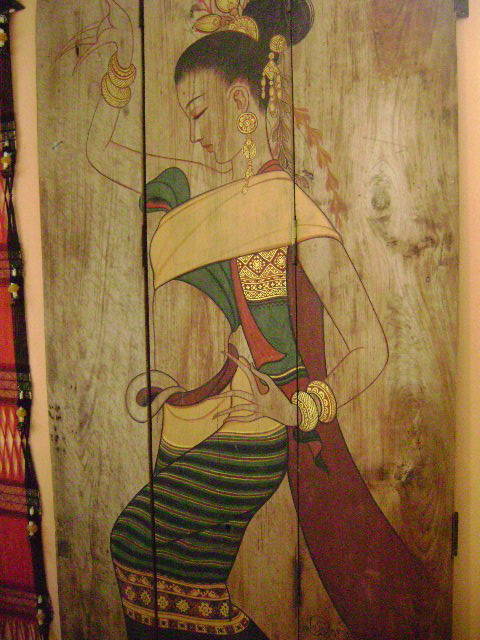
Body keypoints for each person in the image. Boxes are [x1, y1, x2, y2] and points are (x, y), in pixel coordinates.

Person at [67, 0, 439, 638]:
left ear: (240, 100)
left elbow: (372, 346)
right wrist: (118, 77)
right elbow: (104, 153)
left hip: (252, 436)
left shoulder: (289, 207)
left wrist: (296, 410)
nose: (193, 135)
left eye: (198, 112)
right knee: (172, 582)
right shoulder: (206, 187)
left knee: (134, 542)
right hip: (195, 417)